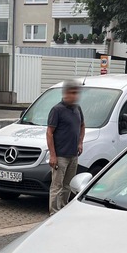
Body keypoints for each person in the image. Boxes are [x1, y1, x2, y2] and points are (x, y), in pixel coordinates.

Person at [46, 80, 85, 215]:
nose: (75, 96)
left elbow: (82, 125)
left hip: (73, 155)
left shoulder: (77, 109)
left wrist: (80, 142)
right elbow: (49, 133)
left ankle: (63, 210)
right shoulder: (57, 110)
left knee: (68, 185)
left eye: (76, 93)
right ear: (66, 93)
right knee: (57, 186)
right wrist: (52, 155)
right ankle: (53, 213)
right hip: (60, 156)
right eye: (72, 93)